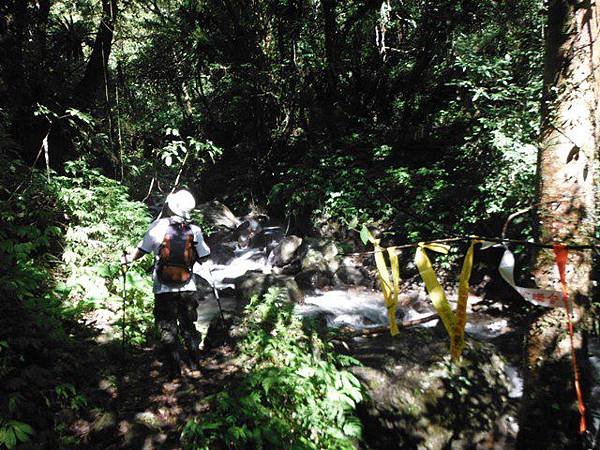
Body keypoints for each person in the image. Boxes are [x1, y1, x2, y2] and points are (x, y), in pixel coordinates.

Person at [122, 189, 210, 378]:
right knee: (188, 326)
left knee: (167, 328)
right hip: (187, 287)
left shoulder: (158, 226)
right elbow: (204, 257)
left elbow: (140, 251)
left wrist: (127, 259)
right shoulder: (194, 230)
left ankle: (174, 371)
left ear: (171, 207)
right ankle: (195, 366)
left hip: (163, 289)